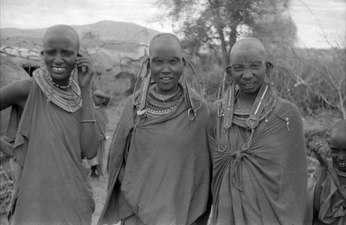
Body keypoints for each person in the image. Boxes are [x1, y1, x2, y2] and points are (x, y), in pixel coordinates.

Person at [98, 33, 212, 225]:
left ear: (183, 64)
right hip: (136, 210)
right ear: (149, 65)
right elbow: (117, 160)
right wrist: (140, 196)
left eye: (173, 62)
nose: (166, 69)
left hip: (177, 213)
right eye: (158, 62)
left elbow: (201, 169)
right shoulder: (133, 106)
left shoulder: (198, 109)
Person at [0, 24, 99, 225]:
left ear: (78, 57)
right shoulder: (27, 90)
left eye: (67, 53)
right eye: (51, 52)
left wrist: (86, 89)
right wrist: (12, 151)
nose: (58, 59)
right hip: (34, 197)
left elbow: (89, 151)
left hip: (73, 198)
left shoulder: (80, 96)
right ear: (42, 54)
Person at [208, 37, 307, 225]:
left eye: (255, 66)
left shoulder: (286, 114)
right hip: (226, 217)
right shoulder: (216, 113)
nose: (247, 75)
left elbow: (296, 179)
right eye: (238, 68)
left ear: (267, 67)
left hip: (271, 216)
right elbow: (209, 172)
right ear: (229, 71)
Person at [305, 120, 346, 225]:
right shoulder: (324, 168)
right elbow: (314, 207)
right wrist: (324, 167)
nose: (341, 157)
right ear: (329, 145)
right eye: (335, 150)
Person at [88, 90, 110, 178]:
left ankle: (100, 172)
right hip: (91, 136)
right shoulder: (89, 108)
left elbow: (108, 98)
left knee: (101, 155)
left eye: (102, 98)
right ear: (93, 97)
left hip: (101, 136)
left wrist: (102, 96)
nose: (100, 99)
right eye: (98, 97)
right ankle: (93, 170)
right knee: (92, 154)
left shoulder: (103, 108)